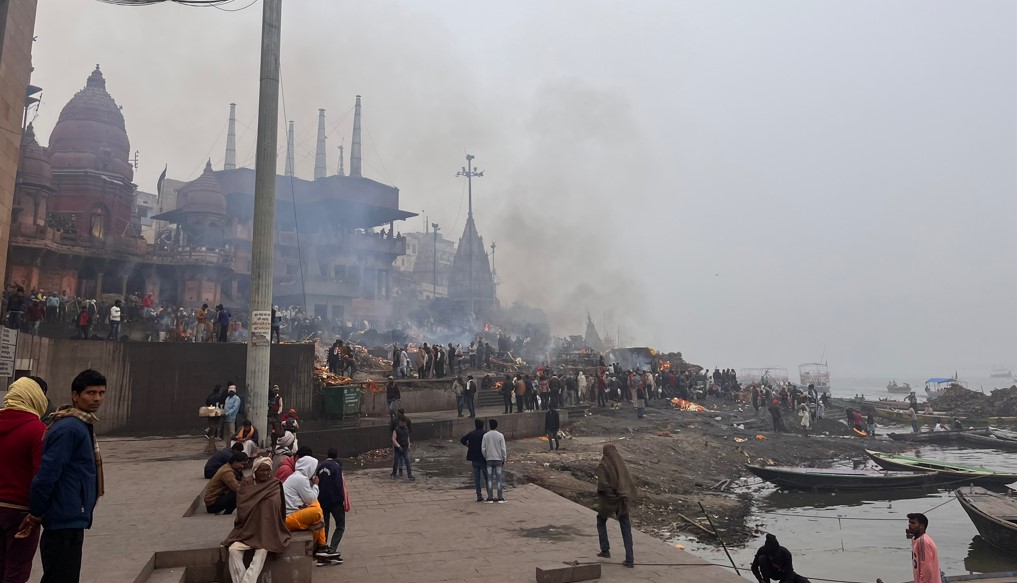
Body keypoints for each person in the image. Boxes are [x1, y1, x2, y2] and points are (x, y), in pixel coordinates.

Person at [17, 369, 106, 583]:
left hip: (72, 515)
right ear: (75, 395)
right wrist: (36, 512)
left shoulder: (81, 424)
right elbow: (47, 475)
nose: (97, 399)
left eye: (101, 393)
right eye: (90, 393)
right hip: (64, 516)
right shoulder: (69, 428)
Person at [0, 376, 49, 583]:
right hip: (21, 513)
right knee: (17, 570)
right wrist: (38, 514)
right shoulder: (37, 430)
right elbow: (41, 476)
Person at [222, 456, 290, 583]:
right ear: (255, 471)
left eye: (268, 470)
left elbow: (276, 507)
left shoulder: (274, 484)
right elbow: (242, 506)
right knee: (233, 550)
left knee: (262, 551)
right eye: (262, 470)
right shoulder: (247, 484)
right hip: (247, 529)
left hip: (267, 530)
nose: (265, 473)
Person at [282, 456, 336, 560]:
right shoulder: (300, 479)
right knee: (317, 511)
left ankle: (322, 546)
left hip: (293, 514)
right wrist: (315, 485)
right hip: (289, 518)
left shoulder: (297, 476)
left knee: (317, 516)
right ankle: (321, 547)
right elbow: (310, 499)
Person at [595, 444, 636, 568]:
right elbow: (627, 482)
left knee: (601, 521)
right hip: (622, 500)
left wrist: (608, 494)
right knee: (626, 527)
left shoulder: (603, 465)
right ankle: (630, 559)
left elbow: (603, 485)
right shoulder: (620, 464)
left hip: (609, 501)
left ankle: (605, 550)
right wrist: (620, 495)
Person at [315, 448, 346, 561]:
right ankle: (332, 550)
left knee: (325, 526)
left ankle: (322, 551)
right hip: (335, 501)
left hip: (322, 500)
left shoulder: (320, 466)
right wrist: (342, 498)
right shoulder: (336, 467)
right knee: (340, 525)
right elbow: (338, 484)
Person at [460, 419, 489, 502]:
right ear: (482, 425)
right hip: (483, 458)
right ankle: (489, 494)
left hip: (474, 458)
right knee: (487, 477)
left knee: (477, 478)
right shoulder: (485, 434)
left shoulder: (471, 434)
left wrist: (468, 445)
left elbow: (462, 440)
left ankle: (479, 495)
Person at [481, 419, 506, 503]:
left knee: (489, 479)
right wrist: (504, 458)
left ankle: (490, 497)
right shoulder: (500, 435)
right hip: (498, 459)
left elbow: (483, 449)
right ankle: (500, 498)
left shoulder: (485, 436)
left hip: (489, 459)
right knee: (499, 479)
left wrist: (486, 457)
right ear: (496, 425)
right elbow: (503, 449)